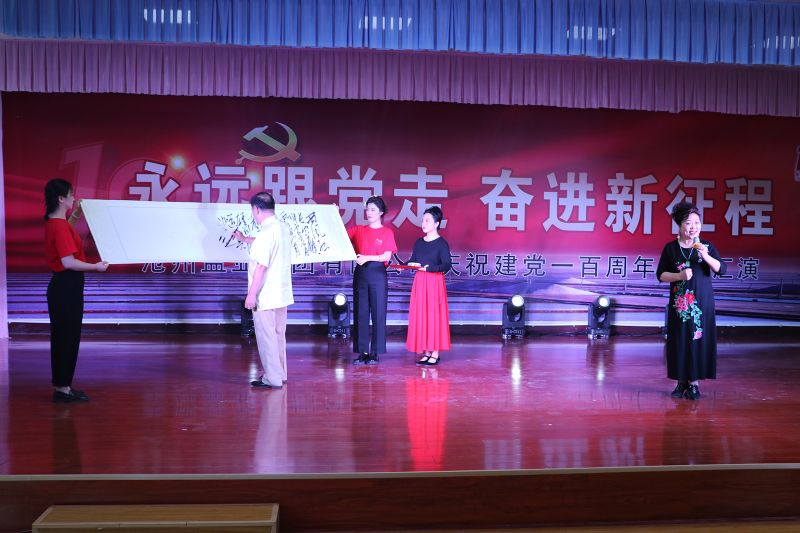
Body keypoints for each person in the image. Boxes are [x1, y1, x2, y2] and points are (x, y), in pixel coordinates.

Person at [43, 178, 109, 403]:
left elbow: (67, 231)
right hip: (67, 286)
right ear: (61, 198)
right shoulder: (59, 226)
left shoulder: (55, 223)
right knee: (67, 337)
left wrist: (77, 213)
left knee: (64, 336)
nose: (74, 198)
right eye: (71, 195)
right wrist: (96, 267)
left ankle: (63, 386)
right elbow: (69, 262)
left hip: (62, 286)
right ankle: (63, 389)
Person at [656, 201, 726, 400]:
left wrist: (705, 255)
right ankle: (681, 382)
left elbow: (721, 269)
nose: (693, 227)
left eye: (697, 222)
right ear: (679, 226)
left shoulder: (706, 246)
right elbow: (661, 275)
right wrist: (679, 276)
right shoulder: (671, 248)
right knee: (679, 340)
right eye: (688, 223)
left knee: (697, 339)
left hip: (702, 304)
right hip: (680, 305)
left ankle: (694, 384)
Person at [242, 192, 294, 388]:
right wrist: (245, 239)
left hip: (266, 293)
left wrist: (251, 294)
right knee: (279, 334)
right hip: (281, 292)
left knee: (266, 337)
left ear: (256, 209)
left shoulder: (265, 233)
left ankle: (272, 378)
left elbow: (261, 266)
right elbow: (268, 245)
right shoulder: (282, 227)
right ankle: (280, 374)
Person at [347, 197, 398, 365]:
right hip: (361, 273)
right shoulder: (358, 230)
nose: (369, 213)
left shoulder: (387, 232)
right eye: (368, 209)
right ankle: (363, 352)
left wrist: (367, 257)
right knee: (360, 312)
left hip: (378, 274)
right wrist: (334, 213)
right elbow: (339, 235)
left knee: (378, 312)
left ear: (381, 212)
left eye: (373, 210)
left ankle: (375, 352)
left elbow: (386, 256)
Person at [406, 206, 451, 365]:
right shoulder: (419, 242)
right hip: (420, 282)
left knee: (433, 316)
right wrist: (407, 265)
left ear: (436, 223)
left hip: (434, 282)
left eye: (427, 220)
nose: (423, 224)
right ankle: (426, 351)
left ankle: (435, 353)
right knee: (421, 315)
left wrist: (430, 268)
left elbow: (447, 265)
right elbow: (414, 259)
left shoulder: (441, 244)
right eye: (423, 220)